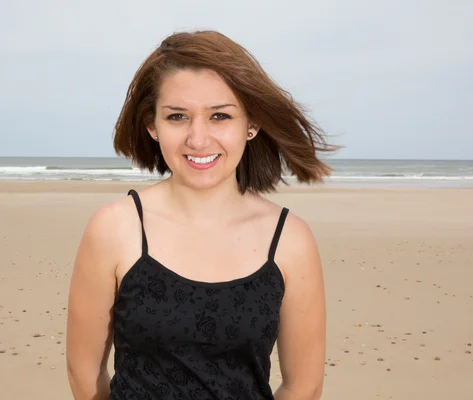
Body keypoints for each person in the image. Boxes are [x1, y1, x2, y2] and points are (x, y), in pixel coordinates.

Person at [66, 30, 338, 400]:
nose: (198, 139)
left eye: (219, 116)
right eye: (177, 116)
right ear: (153, 126)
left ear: (251, 125)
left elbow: (304, 387)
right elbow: (85, 375)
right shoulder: (115, 228)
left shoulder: (289, 239)